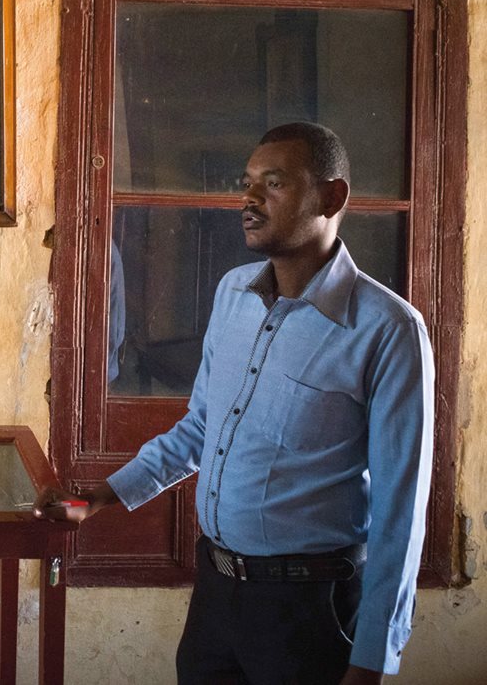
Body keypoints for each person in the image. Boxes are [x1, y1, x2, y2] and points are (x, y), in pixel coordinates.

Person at [40, 123, 434, 685]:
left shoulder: (388, 329)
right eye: (247, 182)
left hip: (308, 611)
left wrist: (372, 659)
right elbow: (200, 429)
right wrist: (97, 500)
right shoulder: (233, 294)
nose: (248, 199)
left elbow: (402, 514)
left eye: (272, 183)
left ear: (331, 197)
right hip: (217, 597)